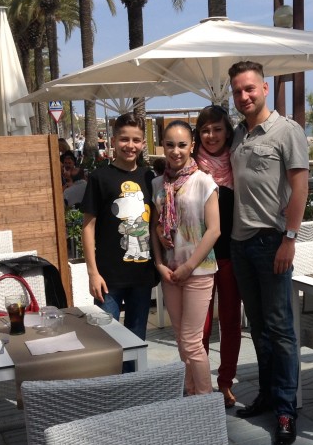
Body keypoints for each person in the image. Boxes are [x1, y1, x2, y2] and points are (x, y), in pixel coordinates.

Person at [228, 60, 308, 445]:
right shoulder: (238, 135)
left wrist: (289, 239)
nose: (243, 96)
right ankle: (267, 394)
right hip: (240, 244)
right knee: (258, 327)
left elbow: (300, 188)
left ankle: (286, 410)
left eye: (249, 89)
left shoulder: (286, 130)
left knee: (280, 329)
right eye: (237, 91)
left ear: (263, 88)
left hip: (271, 242)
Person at [151, 120, 220, 395]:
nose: (175, 151)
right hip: (170, 272)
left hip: (198, 270)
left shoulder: (203, 181)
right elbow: (154, 228)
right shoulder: (157, 184)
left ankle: (205, 401)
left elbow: (214, 230)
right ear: (163, 146)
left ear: (192, 146)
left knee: (192, 341)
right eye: (170, 145)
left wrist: (189, 267)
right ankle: (191, 394)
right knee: (181, 340)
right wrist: (159, 264)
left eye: (182, 145)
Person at [80, 113, 156, 348]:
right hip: (108, 278)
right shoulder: (99, 177)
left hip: (142, 275)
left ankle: (132, 375)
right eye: (124, 139)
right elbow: (88, 227)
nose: (130, 145)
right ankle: (113, 376)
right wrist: (92, 273)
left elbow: (154, 223)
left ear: (143, 144)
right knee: (107, 342)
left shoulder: (149, 177)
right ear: (113, 141)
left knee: (136, 341)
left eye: (136, 140)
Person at [193, 105, 242, 408]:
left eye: (217, 129)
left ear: (228, 131)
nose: (211, 136)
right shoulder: (190, 166)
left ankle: (225, 382)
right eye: (205, 130)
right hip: (200, 257)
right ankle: (200, 383)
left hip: (231, 255)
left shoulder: (238, 164)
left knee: (231, 322)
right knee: (201, 325)